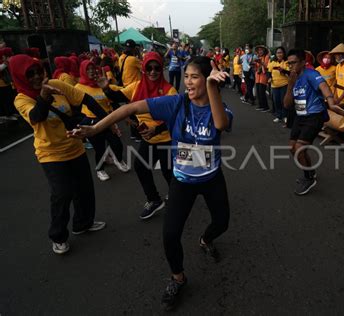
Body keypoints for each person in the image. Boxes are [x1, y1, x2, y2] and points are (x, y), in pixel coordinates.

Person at [69, 56, 232, 310]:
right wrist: (95, 129)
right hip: (182, 181)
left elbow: (221, 124)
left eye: (194, 77)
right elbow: (130, 109)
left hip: (211, 179)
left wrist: (211, 88)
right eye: (186, 76)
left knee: (222, 222)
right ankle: (178, 278)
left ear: (209, 79)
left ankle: (205, 240)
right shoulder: (175, 104)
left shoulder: (219, 107)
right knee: (169, 235)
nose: (187, 82)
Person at [10, 54, 107, 254]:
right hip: (51, 153)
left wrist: (107, 121)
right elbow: (37, 117)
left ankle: (83, 223)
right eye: (31, 74)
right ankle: (58, 235)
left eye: (39, 71)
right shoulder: (21, 99)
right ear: (20, 77)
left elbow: (85, 98)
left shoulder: (57, 84)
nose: (37, 77)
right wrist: (44, 96)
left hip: (75, 146)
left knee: (85, 189)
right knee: (62, 194)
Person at [99, 52, 177, 219]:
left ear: (161, 68)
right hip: (148, 140)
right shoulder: (136, 86)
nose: (153, 72)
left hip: (167, 139)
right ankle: (154, 200)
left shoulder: (170, 90)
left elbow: (176, 117)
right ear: (143, 69)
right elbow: (118, 96)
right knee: (141, 168)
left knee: (168, 172)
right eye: (149, 68)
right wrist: (106, 88)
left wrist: (156, 130)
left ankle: (177, 196)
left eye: (156, 68)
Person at [283, 49, 344, 195]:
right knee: (292, 147)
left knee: (299, 147)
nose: (291, 66)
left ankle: (309, 179)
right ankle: (310, 171)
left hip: (314, 116)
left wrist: (331, 103)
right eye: (289, 63)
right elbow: (287, 105)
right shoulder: (293, 79)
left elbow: (324, 87)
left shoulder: (311, 74)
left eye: (293, 63)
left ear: (302, 62)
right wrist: (290, 85)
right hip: (300, 116)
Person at [75, 59, 129, 181]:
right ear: (83, 71)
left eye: (93, 68)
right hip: (91, 122)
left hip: (108, 120)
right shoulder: (78, 87)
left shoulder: (101, 83)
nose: (91, 71)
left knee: (117, 144)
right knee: (100, 148)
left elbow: (119, 91)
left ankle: (118, 159)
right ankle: (100, 169)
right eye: (87, 69)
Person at [267, 46, 289, 123]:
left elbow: (290, 73)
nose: (279, 54)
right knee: (276, 101)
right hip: (274, 85)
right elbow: (269, 72)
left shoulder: (286, 62)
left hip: (284, 84)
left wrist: (283, 71)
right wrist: (269, 78)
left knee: (284, 101)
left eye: (280, 52)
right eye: (277, 53)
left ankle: (285, 116)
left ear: (283, 53)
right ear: (275, 54)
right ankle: (279, 116)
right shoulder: (272, 63)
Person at [0, 47, 18, 121]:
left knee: (9, 99)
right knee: (5, 100)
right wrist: (6, 63)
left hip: (6, 83)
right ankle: (6, 115)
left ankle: (11, 112)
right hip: (1, 85)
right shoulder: (3, 63)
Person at [254, 45, 270, 112]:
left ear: (264, 51)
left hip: (263, 77)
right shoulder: (258, 57)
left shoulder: (266, 57)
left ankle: (266, 107)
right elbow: (256, 68)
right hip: (257, 77)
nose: (260, 51)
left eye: (261, 50)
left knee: (262, 92)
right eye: (259, 50)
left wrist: (261, 63)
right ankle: (261, 106)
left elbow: (267, 67)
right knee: (258, 92)